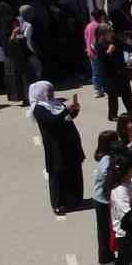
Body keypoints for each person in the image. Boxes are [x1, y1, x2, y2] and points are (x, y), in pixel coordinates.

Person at [29, 82, 85, 215]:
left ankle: (74, 200)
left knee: (73, 171)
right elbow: (52, 122)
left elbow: (66, 119)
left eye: (51, 91)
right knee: (58, 174)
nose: (51, 94)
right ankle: (59, 204)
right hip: (56, 147)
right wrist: (66, 110)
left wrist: (74, 112)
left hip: (69, 143)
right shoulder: (39, 109)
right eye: (48, 91)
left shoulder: (57, 104)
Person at [92, 132, 122, 265]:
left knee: (107, 229)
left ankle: (108, 254)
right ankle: (105, 258)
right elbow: (107, 174)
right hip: (102, 200)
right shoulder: (106, 159)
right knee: (104, 230)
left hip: (105, 199)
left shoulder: (109, 157)